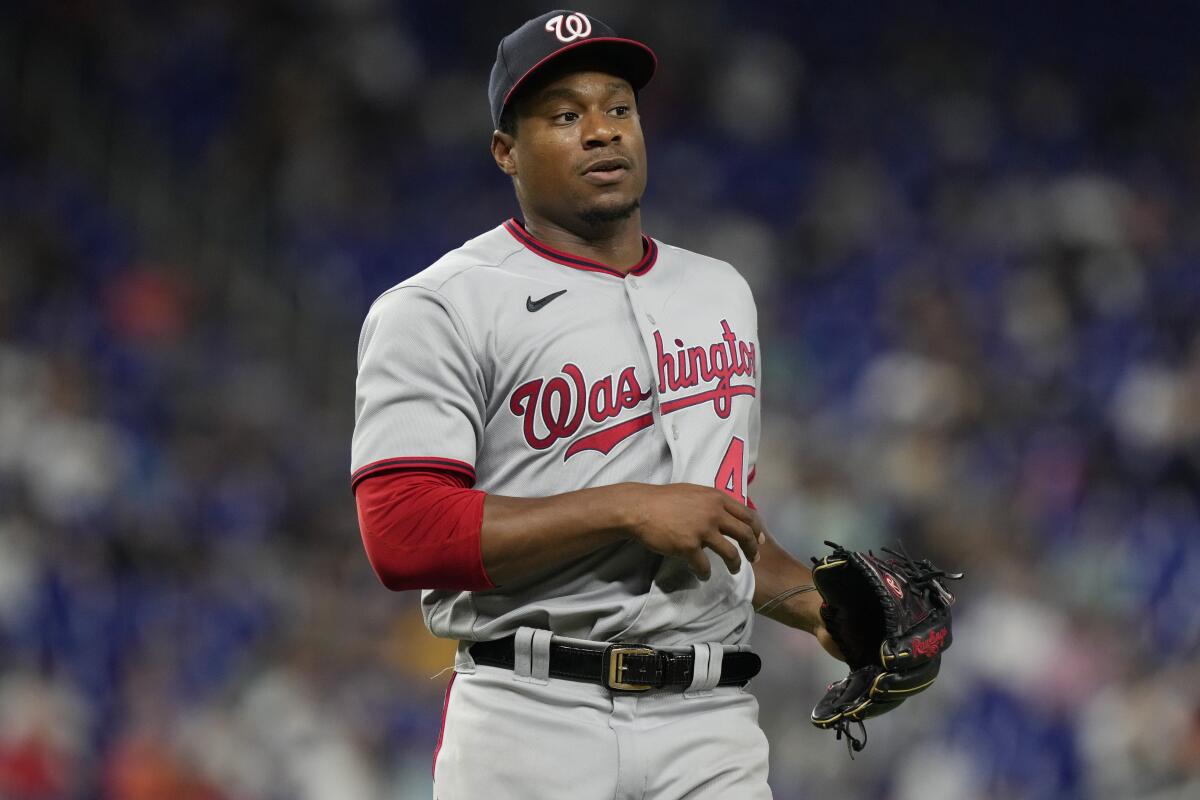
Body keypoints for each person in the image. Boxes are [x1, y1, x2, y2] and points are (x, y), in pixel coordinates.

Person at [351, 10, 841, 799]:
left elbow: (704, 521)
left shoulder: (720, 290)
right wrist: (622, 508)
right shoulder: (439, 306)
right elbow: (402, 534)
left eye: (618, 108)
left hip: (710, 722)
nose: (602, 132)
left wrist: (821, 606)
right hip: (531, 716)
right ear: (506, 151)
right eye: (565, 115)